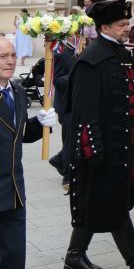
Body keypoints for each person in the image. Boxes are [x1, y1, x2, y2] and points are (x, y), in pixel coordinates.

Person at [63, 0, 134, 269]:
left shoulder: (122, 53)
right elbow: (83, 111)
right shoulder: (91, 60)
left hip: (122, 142)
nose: (127, 28)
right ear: (104, 26)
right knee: (114, 202)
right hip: (102, 146)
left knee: (100, 199)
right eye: (122, 25)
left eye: (127, 23)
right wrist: (92, 150)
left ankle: (74, 253)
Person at [0, 36, 56, 269]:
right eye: (3, 56)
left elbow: (18, 135)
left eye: (12, 55)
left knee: (13, 259)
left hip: (13, 192)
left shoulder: (18, 92)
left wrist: (40, 124)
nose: (9, 61)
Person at [49, 33, 79, 189]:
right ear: (71, 36)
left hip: (80, 104)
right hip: (66, 105)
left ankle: (59, 159)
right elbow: (58, 81)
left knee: (76, 139)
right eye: (79, 34)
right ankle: (68, 176)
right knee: (69, 141)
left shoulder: (81, 52)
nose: (82, 37)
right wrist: (77, 77)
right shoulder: (61, 53)